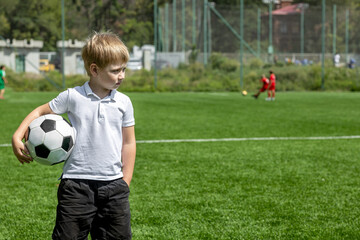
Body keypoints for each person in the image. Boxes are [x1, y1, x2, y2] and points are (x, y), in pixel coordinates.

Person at [12, 31, 136, 240]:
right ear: (94, 69)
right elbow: (40, 112)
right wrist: (17, 136)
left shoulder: (124, 102)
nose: (122, 75)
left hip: (114, 186)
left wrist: (126, 180)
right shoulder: (73, 96)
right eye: (116, 71)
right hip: (76, 185)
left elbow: (129, 142)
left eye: (123, 69)